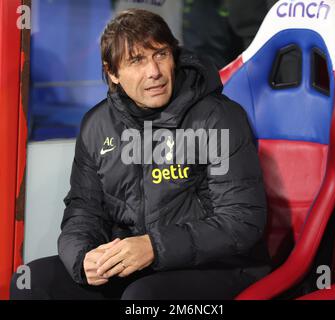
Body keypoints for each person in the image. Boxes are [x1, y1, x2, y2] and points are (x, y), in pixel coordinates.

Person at [10, 9, 271, 300]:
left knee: (142, 298)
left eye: (160, 55)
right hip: (139, 262)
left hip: (220, 266)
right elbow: (83, 209)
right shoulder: (97, 125)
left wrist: (155, 247)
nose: (154, 72)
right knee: (34, 281)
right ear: (112, 73)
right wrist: (83, 258)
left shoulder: (218, 117)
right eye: (136, 61)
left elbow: (242, 220)